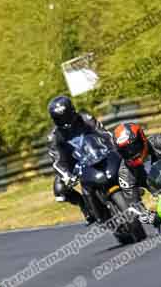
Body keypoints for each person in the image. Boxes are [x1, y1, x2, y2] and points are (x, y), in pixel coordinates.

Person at [46, 95, 113, 225]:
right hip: (74, 165)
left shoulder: (86, 118)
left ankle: (130, 188)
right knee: (60, 190)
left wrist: (113, 147)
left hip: (96, 152)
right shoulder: (53, 137)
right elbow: (57, 161)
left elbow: (105, 134)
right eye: (60, 119)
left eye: (66, 116)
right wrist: (67, 175)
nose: (65, 121)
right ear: (54, 119)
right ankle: (83, 204)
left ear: (72, 111)